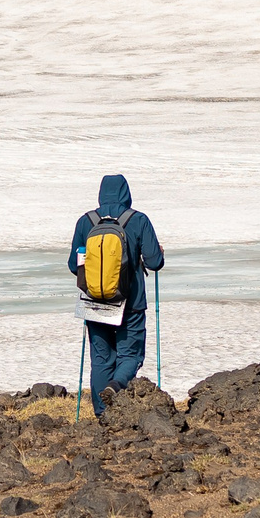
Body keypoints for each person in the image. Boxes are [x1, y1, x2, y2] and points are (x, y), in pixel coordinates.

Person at [69, 174, 165, 416]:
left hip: (94, 302)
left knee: (101, 359)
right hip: (131, 301)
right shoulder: (138, 220)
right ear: (126, 194)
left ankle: (103, 415)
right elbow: (154, 263)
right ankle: (117, 385)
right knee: (130, 354)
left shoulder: (86, 221)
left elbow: (73, 265)